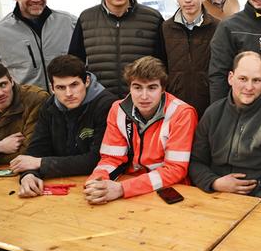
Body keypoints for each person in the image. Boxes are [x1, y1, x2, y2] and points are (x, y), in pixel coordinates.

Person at [84, 57, 197, 204]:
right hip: (130, 184)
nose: (144, 96)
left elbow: (175, 169)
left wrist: (122, 189)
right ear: (129, 88)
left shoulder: (182, 113)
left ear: (163, 89)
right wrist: (97, 182)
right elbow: (111, 158)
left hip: (170, 188)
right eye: (137, 87)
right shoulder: (117, 109)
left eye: (151, 88)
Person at [190, 52, 261, 202]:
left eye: (256, 80)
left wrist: (255, 204)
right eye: (243, 79)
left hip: (257, 203)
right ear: (230, 78)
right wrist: (215, 183)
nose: (249, 87)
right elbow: (195, 162)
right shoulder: (213, 113)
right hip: (212, 196)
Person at [9, 55, 117, 197]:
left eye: (74, 85)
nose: (69, 93)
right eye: (60, 87)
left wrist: (41, 163)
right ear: (52, 88)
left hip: (97, 184)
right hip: (61, 184)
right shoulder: (48, 106)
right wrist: (29, 175)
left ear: (87, 81)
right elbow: (36, 149)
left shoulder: (107, 105)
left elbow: (96, 159)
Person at [68, 0, 165, 98]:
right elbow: (75, 62)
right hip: (99, 100)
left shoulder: (153, 18)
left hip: (143, 100)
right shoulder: (86, 18)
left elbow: (163, 63)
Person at [162, 0, 219, 116]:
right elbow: (161, 68)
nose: (187, 0)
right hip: (174, 108)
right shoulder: (165, 28)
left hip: (209, 107)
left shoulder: (219, 28)